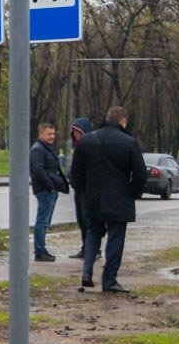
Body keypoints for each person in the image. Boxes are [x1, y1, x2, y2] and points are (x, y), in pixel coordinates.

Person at [70, 106, 146, 293]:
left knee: (93, 233)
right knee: (115, 237)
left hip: (93, 197)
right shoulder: (129, 142)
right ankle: (109, 280)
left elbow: (76, 172)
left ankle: (86, 273)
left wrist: (83, 191)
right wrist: (133, 192)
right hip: (119, 199)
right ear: (123, 122)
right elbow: (141, 173)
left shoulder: (86, 141)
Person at [29, 122, 69, 262]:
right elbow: (38, 170)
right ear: (41, 134)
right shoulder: (38, 150)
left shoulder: (46, 148)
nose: (52, 136)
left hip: (50, 189)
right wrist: (50, 186)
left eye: (53, 133)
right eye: (49, 134)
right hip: (45, 190)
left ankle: (41, 249)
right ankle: (40, 251)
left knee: (45, 222)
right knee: (42, 221)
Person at [68, 117, 94, 258]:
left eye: (77, 131)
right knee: (81, 219)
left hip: (86, 189)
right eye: (74, 132)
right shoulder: (79, 147)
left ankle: (92, 249)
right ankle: (86, 247)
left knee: (87, 220)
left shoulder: (89, 147)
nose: (75, 134)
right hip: (79, 189)